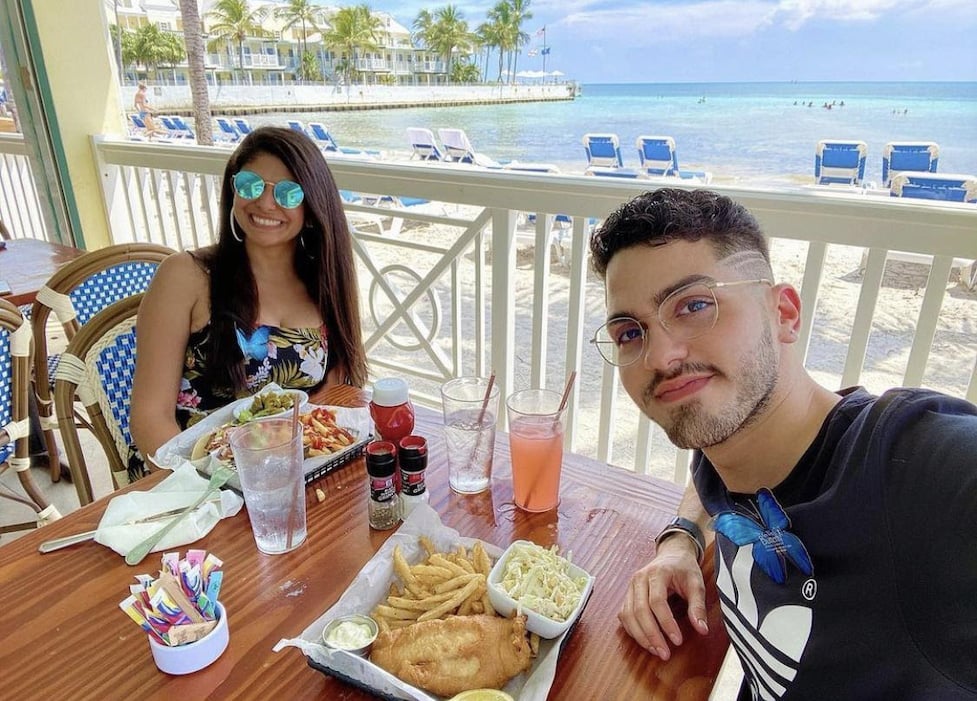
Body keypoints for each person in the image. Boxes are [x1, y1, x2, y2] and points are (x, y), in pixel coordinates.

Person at [588, 189, 977, 698]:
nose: (660, 356)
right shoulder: (729, 441)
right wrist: (681, 540)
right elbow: (705, 465)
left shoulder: (913, 469)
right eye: (629, 333)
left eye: (695, 305)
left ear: (784, 314)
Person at [131, 126, 368, 464]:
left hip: (287, 473)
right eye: (250, 185)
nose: (265, 203)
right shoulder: (186, 276)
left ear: (313, 205)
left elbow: (326, 400)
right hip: (190, 480)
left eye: (289, 193)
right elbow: (150, 418)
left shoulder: (323, 282)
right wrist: (211, 487)